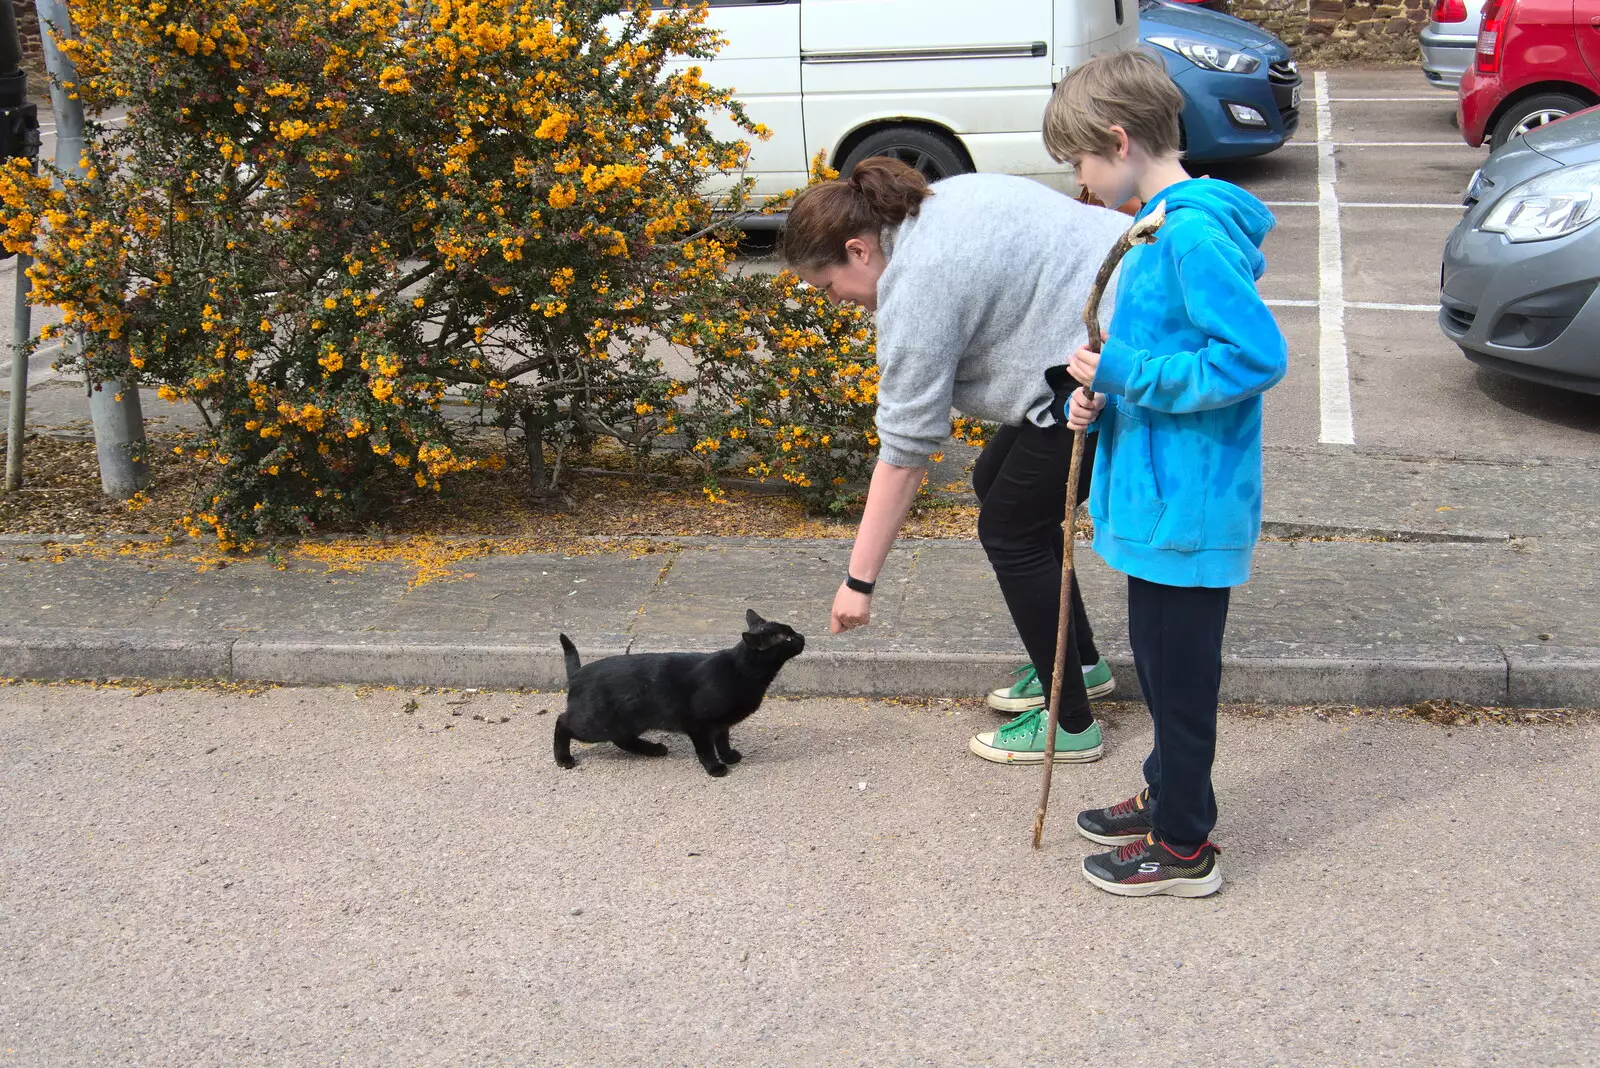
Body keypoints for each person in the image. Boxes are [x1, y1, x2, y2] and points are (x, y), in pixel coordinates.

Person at [782, 157, 1129, 765]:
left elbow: (905, 452)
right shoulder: (932, 204)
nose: (836, 301)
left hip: (1117, 363)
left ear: (858, 250)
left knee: (1010, 529)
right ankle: (1081, 663)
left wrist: (858, 583)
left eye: (827, 285)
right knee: (995, 480)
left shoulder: (918, 282)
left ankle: (1069, 723)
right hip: (1105, 324)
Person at [1043, 49, 1288, 897]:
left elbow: (1253, 356)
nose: (1079, 180)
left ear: (1119, 140)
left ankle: (1185, 847)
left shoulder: (1186, 232)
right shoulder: (1151, 228)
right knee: (1161, 664)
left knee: (1181, 683)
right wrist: (1101, 394)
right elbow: (1156, 355)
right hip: (1159, 501)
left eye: (1079, 161)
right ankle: (1166, 790)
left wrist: (1128, 378)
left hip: (1191, 504)